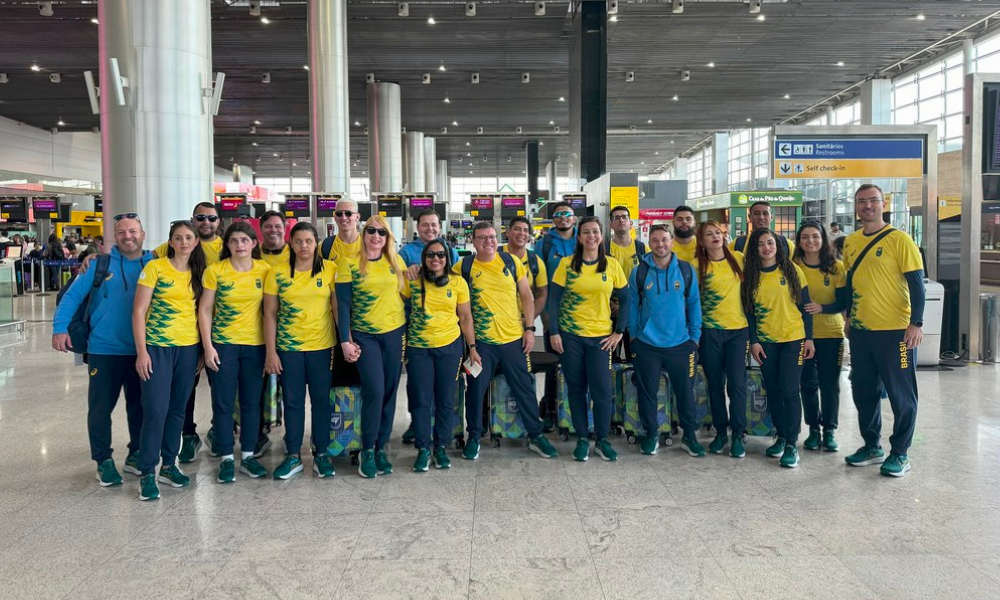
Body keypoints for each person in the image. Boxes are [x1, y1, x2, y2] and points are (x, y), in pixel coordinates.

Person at [52, 213, 154, 486]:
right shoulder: (99, 264)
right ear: (114, 237)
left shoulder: (157, 263)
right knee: (100, 409)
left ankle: (136, 454)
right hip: (104, 350)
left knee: (140, 407)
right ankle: (103, 460)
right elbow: (72, 295)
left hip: (143, 351)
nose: (127, 236)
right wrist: (59, 328)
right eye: (121, 232)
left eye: (133, 231)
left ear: (143, 235)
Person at [456, 222, 559, 460]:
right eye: (482, 238)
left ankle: (535, 435)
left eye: (491, 237)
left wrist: (530, 329)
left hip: (513, 340)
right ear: (473, 242)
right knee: (475, 390)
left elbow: (526, 295)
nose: (488, 241)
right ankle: (473, 436)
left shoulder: (510, 262)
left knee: (524, 387)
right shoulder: (464, 266)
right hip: (482, 344)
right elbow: (442, 282)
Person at [842, 184, 924, 477]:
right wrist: (849, 316)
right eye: (862, 201)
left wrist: (916, 323)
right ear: (856, 207)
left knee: (902, 395)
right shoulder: (850, 242)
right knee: (864, 391)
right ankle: (872, 446)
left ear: (883, 203)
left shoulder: (900, 240)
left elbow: (917, 284)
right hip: (862, 333)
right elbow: (852, 284)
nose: (867, 206)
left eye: (873, 201)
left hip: (895, 333)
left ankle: (900, 453)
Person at [132, 220, 206, 501]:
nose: (184, 242)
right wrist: (142, 351)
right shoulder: (155, 268)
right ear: (171, 242)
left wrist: (200, 351)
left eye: (189, 237)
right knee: (155, 409)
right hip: (158, 347)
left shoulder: (200, 273)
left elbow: (202, 314)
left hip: (187, 349)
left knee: (177, 410)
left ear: (196, 242)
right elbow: (139, 311)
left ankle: (169, 464)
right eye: (178, 237)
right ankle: (148, 472)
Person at [148, 202, 223, 464]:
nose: (206, 222)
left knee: (219, 386)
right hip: (182, 335)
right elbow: (143, 260)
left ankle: (217, 430)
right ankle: (187, 434)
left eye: (211, 218)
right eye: (200, 218)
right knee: (185, 389)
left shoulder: (225, 248)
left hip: (219, 332)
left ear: (218, 221)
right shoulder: (170, 251)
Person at [548, 216, 629, 462]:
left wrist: (619, 332)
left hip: (601, 339)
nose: (591, 236)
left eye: (595, 231)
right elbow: (553, 300)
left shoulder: (612, 265)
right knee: (576, 388)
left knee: (603, 390)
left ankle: (602, 440)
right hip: (571, 337)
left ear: (601, 236)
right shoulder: (567, 264)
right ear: (579, 237)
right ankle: (582, 438)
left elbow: (626, 300)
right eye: (586, 232)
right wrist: (554, 332)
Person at [336, 215, 410, 478]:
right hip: (365, 336)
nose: (376, 236)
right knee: (375, 391)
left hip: (394, 333)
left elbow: (406, 296)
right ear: (363, 233)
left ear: (387, 237)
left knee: (390, 392)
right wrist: (345, 339)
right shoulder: (349, 264)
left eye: (381, 232)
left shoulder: (395, 261)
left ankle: (380, 447)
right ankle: (367, 449)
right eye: (371, 231)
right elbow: (342, 305)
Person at [198, 222, 271, 483]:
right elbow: (205, 310)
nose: (239, 245)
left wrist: (272, 351)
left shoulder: (265, 270)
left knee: (252, 404)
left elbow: (271, 312)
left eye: (244, 240)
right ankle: (227, 458)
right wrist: (208, 347)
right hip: (223, 346)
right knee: (223, 403)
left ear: (254, 243)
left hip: (256, 346)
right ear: (226, 245)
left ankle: (248, 456)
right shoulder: (215, 271)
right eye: (234, 240)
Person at [263, 222, 337, 480]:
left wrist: (346, 342)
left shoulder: (330, 270)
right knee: (293, 403)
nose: (304, 246)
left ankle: (322, 454)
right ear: (290, 244)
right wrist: (271, 351)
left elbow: (338, 310)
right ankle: (293, 454)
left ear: (316, 242)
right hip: (289, 348)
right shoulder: (278, 272)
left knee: (321, 402)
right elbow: (270, 314)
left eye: (308, 240)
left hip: (322, 347)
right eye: (298, 241)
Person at [625, 224, 703, 457]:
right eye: (656, 240)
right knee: (647, 392)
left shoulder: (686, 270)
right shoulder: (639, 272)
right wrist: (635, 336)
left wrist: (695, 338)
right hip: (647, 345)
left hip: (681, 344)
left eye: (664, 240)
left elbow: (694, 305)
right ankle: (651, 434)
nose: (660, 244)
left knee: (685, 392)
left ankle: (689, 435)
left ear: (671, 242)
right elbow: (632, 306)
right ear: (649, 243)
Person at [741, 227, 815, 469]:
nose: (766, 247)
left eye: (770, 242)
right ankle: (782, 436)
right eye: (761, 244)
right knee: (772, 390)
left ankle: (792, 444)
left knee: (790, 390)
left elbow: (806, 307)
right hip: (766, 342)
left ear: (778, 245)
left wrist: (809, 339)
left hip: (793, 339)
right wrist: (754, 341)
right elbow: (750, 313)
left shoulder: (793, 271)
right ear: (755, 249)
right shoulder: (750, 277)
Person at [405, 239, 476, 471]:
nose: (435, 259)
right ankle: (423, 448)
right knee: (422, 400)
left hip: (449, 347)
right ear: (424, 258)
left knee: (446, 400)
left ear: (447, 259)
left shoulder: (458, 283)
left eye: (440, 255)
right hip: (419, 349)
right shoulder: (413, 281)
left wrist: (472, 347)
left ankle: (441, 447)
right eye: (430, 255)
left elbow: (465, 317)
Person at [398, 209, 461, 445]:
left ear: (440, 226)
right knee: (417, 383)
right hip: (413, 326)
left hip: (445, 331)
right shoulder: (405, 253)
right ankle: (417, 422)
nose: (430, 229)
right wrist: (407, 272)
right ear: (418, 227)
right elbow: (399, 284)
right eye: (425, 225)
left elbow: (453, 283)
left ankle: (442, 430)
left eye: (434, 225)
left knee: (444, 388)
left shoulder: (450, 251)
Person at [694, 220, 749, 458]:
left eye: (718, 232)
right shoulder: (697, 265)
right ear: (702, 241)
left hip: (738, 331)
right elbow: (692, 302)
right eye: (709, 234)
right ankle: (720, 433)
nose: (715, 236)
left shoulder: (738, 257)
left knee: (736, 385)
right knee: (715, 385)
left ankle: (738, 433)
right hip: (710, 332)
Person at [794, 222, 847, 453]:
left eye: (815, 236)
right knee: (807, 384)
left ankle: (830, 430)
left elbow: (844, 302)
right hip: (800, 335)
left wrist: (822, 308)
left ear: (823, 239)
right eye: (805, 237)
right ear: (799, 241)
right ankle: (813, 429)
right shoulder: (793, 266)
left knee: (829, 384)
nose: (810, 241)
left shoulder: (836, 267)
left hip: (831, 334)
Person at [500, 216, 550, 425]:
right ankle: (487, 420)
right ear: (508, 233)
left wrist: (528, 320)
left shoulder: (535, 261)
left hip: (523, 327)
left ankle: (530, 425)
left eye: (525, 230)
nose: (521, 233)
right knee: (487, 376)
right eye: (517, 229)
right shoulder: (494, 255)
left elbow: (541, 294)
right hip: (496, 327)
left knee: (523, 376)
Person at [537, 202, 577, 428]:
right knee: (554, 364)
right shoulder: (545, 244)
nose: (563, 218)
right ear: (554, 220)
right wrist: (544, 315)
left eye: (567, 214)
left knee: (577, 365)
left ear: (574, 218)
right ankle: (551, 409)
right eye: (559, 215)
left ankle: (575, 409)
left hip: (581, 315)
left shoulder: (585, 239)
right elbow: (540, 283)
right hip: (553, 315)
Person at [254, 210, 290, 455]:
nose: (273, 230)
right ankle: (257, 435)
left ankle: (293, 434)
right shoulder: (251, 253)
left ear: (285, 228)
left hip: (291, 333)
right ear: (261, 228)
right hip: (255, 332)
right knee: (256, 387)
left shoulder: (296, 253)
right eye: (268, 226)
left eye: (278, 226)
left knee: (291, 389)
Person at [730, 201, 795, 257]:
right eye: (756, 213)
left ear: (772, 217)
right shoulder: (737, 244)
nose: (761, 217)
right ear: (749, 217)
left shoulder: (787, 245)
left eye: (765, 213)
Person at [321, 198, 362, 265]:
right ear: (334, 217)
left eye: (348, 213)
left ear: (357, 217)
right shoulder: (325, 246)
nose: (343, 218)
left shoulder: (368, 244)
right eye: (339, 213)